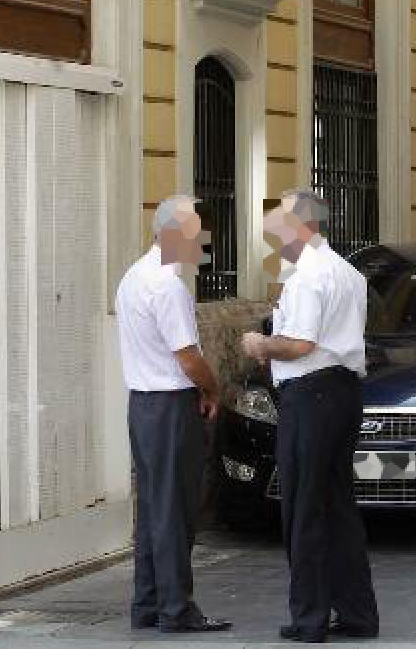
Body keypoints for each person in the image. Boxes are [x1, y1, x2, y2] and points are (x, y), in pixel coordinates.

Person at [242, 189, 379, 644]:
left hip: (310, 396)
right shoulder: (348, 272)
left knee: (303, 507)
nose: (272, 235)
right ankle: (358, 613)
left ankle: (310, 618)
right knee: (338, 504)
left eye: (278, 225)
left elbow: (299, 344)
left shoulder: (305, 277)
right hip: (344, 393)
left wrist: (261, 345)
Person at [115, 195, 231, 634]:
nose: (201, 241)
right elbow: (188, 357)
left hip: (142, 405)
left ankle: (147, 603)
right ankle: (176, 608)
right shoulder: (168, 285)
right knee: (174, 510)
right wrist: (213, 386)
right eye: (195, 232)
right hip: (169, 406)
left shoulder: (133, 277)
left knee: (152, 508)